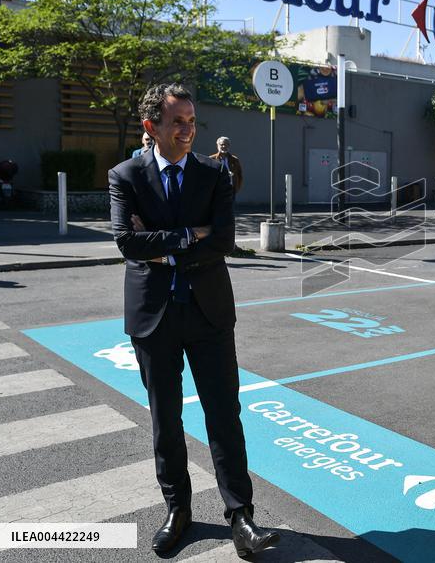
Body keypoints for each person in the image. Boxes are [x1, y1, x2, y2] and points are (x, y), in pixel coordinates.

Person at [108, 83, 278, 556]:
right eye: (177, 122)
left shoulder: (214, 173)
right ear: (152, 126)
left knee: (224, 416)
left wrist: (160, 244)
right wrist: (189, 235)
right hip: (153, 317)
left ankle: (241, 517)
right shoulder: (125, 176)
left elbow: (223, 241)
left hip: (209, 313)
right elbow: (126, 242)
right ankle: (178, 510)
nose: (187, 130)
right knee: (166, 419)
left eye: (191, 121)